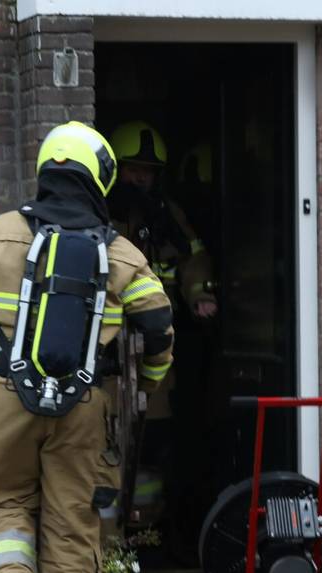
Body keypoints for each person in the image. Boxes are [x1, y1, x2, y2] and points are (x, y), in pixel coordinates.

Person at [0, 121, 174, 573]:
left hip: (5, 396)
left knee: (1, 500)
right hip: (82, 407)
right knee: (72, 521)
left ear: (47, 169)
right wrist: (148, 381)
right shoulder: (121, 252)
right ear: (100, 178)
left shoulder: (0, 233)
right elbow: (159, 326)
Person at [106, 121, 217, 546]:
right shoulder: (100, 215)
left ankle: (145, 537)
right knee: (104, 443)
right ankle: (107, 540)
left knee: (154, 447)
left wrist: (198, 294)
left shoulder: (168, 216)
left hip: (154, 348)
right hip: (106, 351)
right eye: (134, 169)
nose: (141, 179)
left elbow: (194, 257)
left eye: (149, 172)